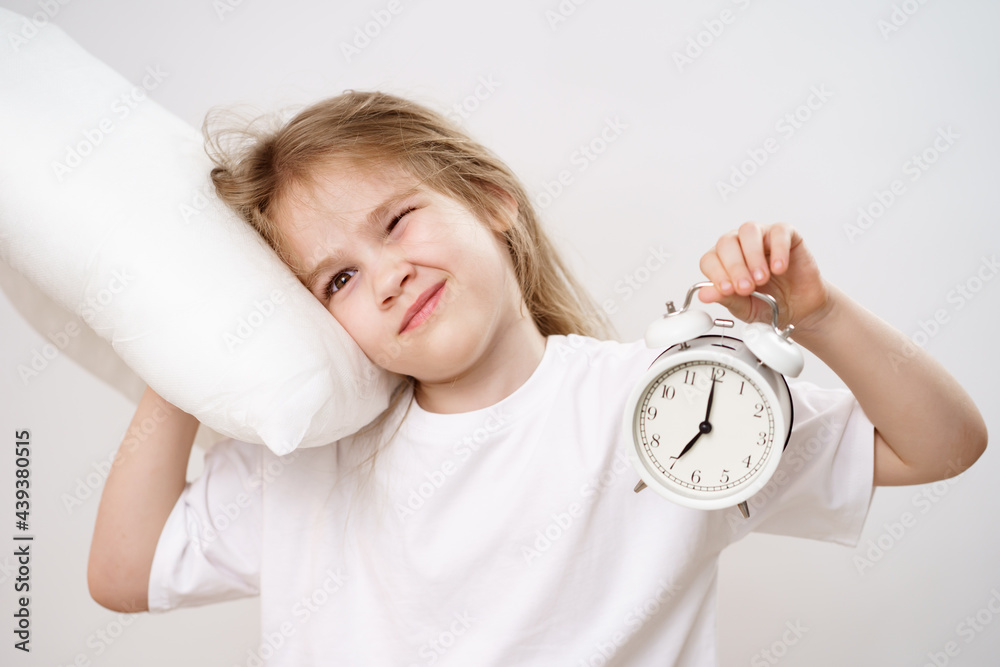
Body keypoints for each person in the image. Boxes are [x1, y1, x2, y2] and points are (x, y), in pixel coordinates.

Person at [87, 91, 987, 666]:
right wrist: (190, 349)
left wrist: (819, 314)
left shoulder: (665, 403)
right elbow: (124, 572)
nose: (387, 275)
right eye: (339, 279)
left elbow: (943, 445)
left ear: (491, 198)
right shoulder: (310, 459)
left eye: (397, 221)